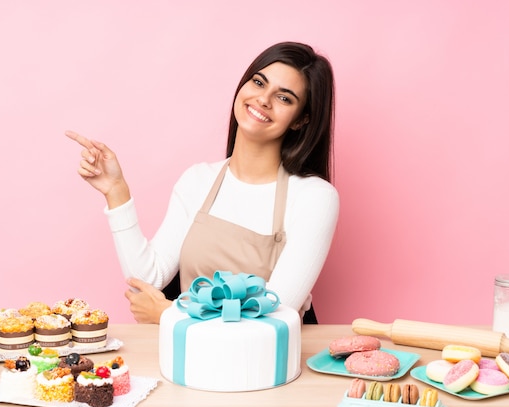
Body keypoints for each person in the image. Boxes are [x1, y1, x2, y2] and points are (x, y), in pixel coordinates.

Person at [67, 41, 339, 324]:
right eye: (258, 82)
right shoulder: (199, 180)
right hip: (188, 361)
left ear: (300, 120)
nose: (263, 99)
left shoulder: (314, 197)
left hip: (266, 363)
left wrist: (171, 314)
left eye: (284, 98)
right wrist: (116, 191)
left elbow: (276, 317)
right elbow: (149, 278)